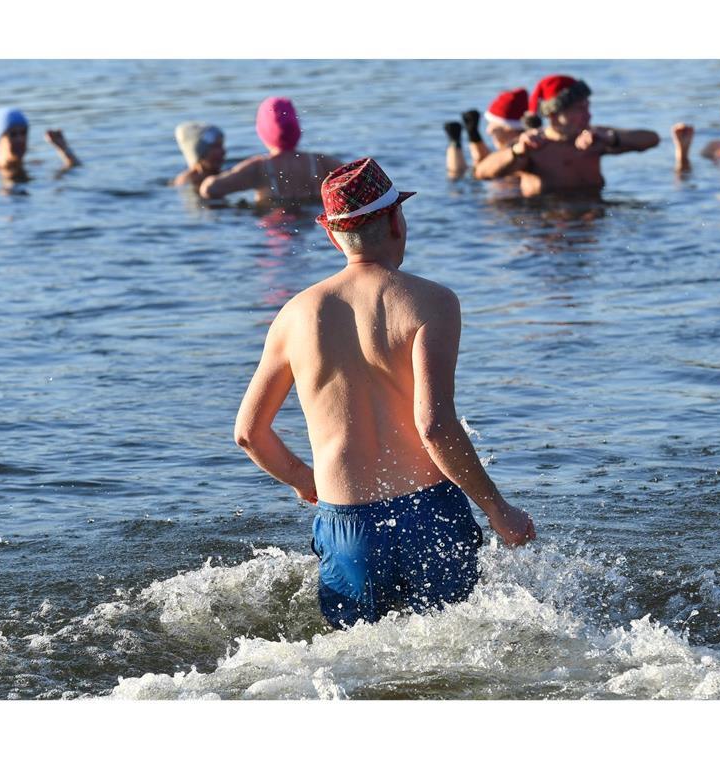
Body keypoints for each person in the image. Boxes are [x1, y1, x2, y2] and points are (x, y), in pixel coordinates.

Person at [233, 157, 536, 629]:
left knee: (358, 657)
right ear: (396, 220)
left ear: (332, 235)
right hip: (429, 513)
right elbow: (434, 426)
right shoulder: (431, 301)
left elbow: (250, 433)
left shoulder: (294, 315)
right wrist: (498, 509)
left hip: (348, 525)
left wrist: (305, 482)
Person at [474, 74, 659, 195]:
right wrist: (516, 151)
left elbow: (652, 139)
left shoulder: (594, 139)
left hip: (592, 221)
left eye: (588, 107)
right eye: (579, 109)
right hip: (546, 227)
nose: (588, 115)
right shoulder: (533, 146)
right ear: (553, 114)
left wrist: (612, 138)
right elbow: (482, 172)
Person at [199, 97, 342, 204]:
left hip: (274, 221)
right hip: (311, 222)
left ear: (262, 131)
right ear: (297, 127)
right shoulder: (321, 162)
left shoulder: (258, 168)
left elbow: (209, 189)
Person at [0, 107, 79, 181]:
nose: (20, 139)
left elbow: (74, 170)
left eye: (23, 133)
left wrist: (63, 147)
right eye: (13, 134)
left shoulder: (36, 165)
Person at [445, 88, 530, 178]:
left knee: (458, 175)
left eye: (492, 124)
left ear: (508, 127)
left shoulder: (520, 153)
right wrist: (474, 136)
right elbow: (489, 161)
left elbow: (479, 172)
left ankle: (454, 144)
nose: (488, 131)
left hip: (502, 185)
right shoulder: (524, 147)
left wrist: (457, 144)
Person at [171, 122, 226, 188]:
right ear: (199, 153)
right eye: (215, 147)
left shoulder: (221, 174)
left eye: (221, 145)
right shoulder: (187, 182)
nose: (223, 151)